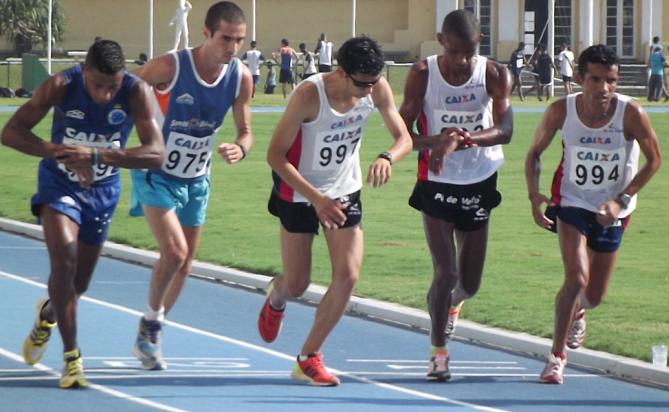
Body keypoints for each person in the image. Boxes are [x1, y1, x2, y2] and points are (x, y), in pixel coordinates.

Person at [0, 39, 164, 388]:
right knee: (65, 259)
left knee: (79, 284)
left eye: (112, 87)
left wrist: (96, 156)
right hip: (59, 185)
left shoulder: (136, 92)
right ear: (84, 71)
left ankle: (48, 315)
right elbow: (11, 132)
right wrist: (58, 151)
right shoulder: (60, 85)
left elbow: (156, 153)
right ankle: (72, 358)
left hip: (103, 192)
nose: (105, 95)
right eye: (98, 86)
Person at [257, 36, 412, 386]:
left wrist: (388, 156)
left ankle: (308, 357)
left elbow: (404, 137)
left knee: (348, 276)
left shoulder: (377, 88)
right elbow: (275, 156)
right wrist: (316, 198)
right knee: (298, 283)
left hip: (343, 189)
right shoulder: (309, 96)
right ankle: (277, 294)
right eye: (362, 83)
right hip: (298, 191)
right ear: (341, 72)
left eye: (374, 82)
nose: (369, 90)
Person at [525, 44, 661, 384]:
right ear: (581, 78)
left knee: (595, 294)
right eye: (596, 80)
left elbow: (654, 160)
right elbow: (534, 154)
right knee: (577, 276)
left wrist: (621, 198)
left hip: (614, 209)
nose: (604, 89)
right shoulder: (561, 110)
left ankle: (580, 309)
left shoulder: (631, 113)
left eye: (611, 81)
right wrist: (533, 195)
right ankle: (556, 356)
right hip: (572, 203)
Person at [129, 1, 253, 371]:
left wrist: (240, 148)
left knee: (185, 264)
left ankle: (152, 328)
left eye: (239, 40)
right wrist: (137, 133)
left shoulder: (240, 77)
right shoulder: (171, 66)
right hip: (157, 172)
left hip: (197, 177)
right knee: (176, 253)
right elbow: (125, 89)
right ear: (207, 34)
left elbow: (246, 132)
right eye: (226, 38)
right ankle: (151, 324)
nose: (232, 47)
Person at [398, 9, 513, 382]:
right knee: (445, 271)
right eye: (456, 52)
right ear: (440, 40)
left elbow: (506, 129)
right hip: (436, 181)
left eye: (470, 52)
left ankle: (451, 307)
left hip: (479, 179)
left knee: (470, 283)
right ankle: (437, 351)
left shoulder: (494, 74)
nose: (463, 61)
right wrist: (438, 143)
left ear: (478, 44)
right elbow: (402, 134)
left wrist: (462, 140)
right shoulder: (422, 74)